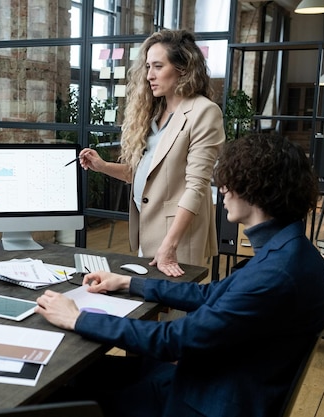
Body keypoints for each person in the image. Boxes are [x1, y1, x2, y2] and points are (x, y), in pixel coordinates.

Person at [35, 133, 324, 417]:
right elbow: (210, 295)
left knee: (56, 391)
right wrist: (129, 282)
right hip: (218, 381)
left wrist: (77, 318)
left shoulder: (276, 273)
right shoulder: (290, 250)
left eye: (229, 182)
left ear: (254, 188)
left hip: (203, 401)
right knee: (76, 376)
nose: (223, 191)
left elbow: (171, 339)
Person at [79, 29, 224, 277]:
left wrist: (169, 244)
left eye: (158, 66)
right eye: (147, 67)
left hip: (176, 236)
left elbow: (196, 188)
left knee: (174, 313)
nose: (149, 76)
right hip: (147, 230)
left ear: (183, 68)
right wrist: (101, 166)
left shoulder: (204, 112)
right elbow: (143, 176)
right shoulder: (154, 114)